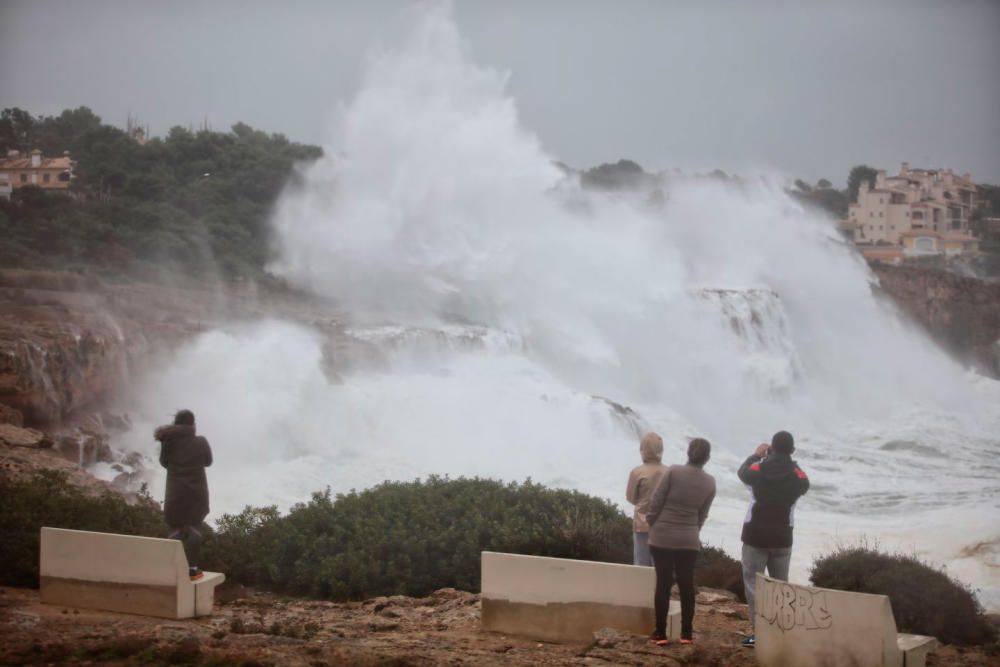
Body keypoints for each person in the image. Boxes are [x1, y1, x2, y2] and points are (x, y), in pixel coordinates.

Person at [737, 430, 809, 648]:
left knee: (753, 584)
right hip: (782, 538)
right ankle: (780, 634)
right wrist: (790, 461)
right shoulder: (796, 476)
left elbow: (743, 472)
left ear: (771, 449)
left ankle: (760, 634)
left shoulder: (759, 469)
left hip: (755, 535)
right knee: (781, 588)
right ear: (792, 450)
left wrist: (756, 455)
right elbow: (805, 482)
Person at [645, 438, 716, 646]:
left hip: (662, 536)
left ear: (688, 453)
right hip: (689, 539)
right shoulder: (710, 482)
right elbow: (703, 514)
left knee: (663, 584)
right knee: (686, 585)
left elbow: (657, 500)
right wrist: (693, 530)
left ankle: (660, 634)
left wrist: (652, 522)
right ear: (708, 458)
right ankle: (687, 634)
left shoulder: (674, 471)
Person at [155, 409, 213, 581]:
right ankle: (193, 570)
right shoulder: (201, 442)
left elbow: (164, 463)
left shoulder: (168, 443)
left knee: (175, 528)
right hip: (197, 492)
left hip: (175, 492)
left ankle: (170, 569)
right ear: (193, 425)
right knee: (195, 527)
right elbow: (209, 462)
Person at [626, 432, 669, 566]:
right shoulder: (669, 472)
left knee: (640, 564)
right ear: (661, 449)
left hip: (641, 524)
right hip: (663, 524)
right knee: (660, 566)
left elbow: (631, 497)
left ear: (642, 449)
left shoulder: (637, 472)